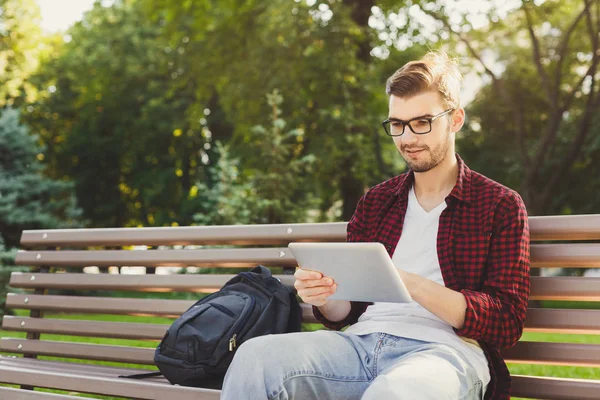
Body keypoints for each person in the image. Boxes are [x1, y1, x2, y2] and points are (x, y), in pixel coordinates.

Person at [220, 51, 530, 400]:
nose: (408, 138)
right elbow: (345, 311)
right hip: (359, 346)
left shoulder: (498, 204)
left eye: (421, 122)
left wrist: (412, 285)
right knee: (256, 357)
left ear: (455, 119)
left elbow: (506, 320)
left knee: (396, 392)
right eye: (397, 124)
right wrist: (325, 295)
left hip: (444, 353)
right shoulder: (377, 202)